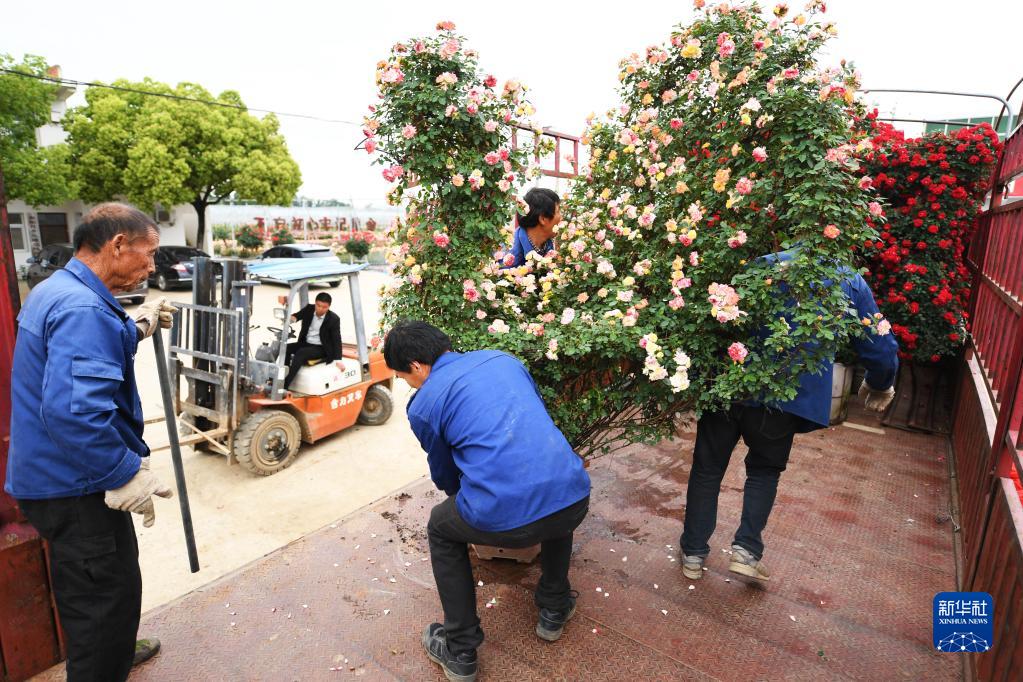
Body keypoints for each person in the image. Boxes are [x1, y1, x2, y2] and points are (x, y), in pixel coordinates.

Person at [6, 202, 178, 681]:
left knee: (109, 582)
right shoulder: (83, 308)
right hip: (75, 484)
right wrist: (124, 473)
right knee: (101, 598)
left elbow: (99, 342)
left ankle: (116, 649)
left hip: (56, 475)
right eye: (149, 253)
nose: (152, 266)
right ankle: (104, 661)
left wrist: (139, 323)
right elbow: (75, 414)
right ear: (117, 244)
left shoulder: (61, 289)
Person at [384, 320, 590, 682]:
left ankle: (460, 649)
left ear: (416, 366)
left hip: (505, 514)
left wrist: (473, 508)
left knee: (441, 528)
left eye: (403, 377)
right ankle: (554, 607)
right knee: (552, 489)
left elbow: (445, 474)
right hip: (575, 495)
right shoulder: (503, 360)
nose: (408, 384)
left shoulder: (424, 403)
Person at [679, 253, 899, 582]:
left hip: (729, 383)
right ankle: (746, 551)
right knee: (765, 472)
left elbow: (715, 322)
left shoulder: (760, 263)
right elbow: (879, 346)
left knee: (707, 467)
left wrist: (691, 383)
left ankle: (693, 553)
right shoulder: (849, 280)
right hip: (785, 395)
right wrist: (881, 383)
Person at [284, 292, 341, 389]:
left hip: (321, 347)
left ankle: (285, 385)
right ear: (315, 303)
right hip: (306, 343)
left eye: (324, 307)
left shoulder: (333, 319)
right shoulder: (309, 309)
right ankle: (284, 373)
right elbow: (297, 316)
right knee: (285, 348)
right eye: (318, 306)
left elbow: (337, 339)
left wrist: (338, 360)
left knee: (301, 353)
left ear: (328, 307)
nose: (320, 309)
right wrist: (291, 318)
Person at [503, 187, 561, 267]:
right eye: (558, 211)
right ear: (543, 219)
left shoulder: (548, 245)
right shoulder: (509, 256)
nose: (561, 217)